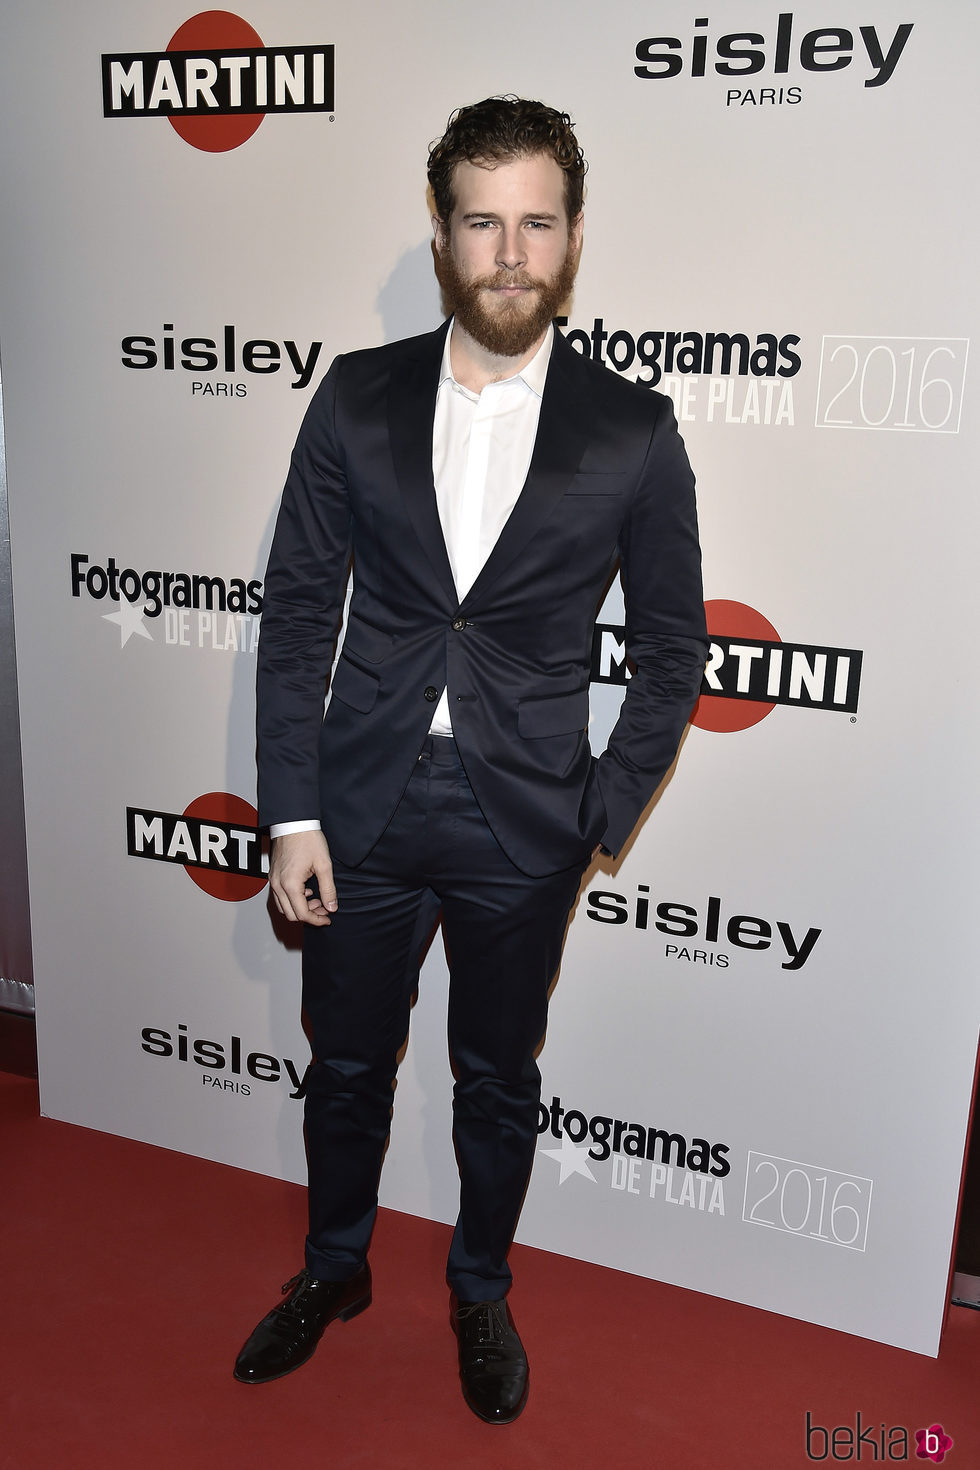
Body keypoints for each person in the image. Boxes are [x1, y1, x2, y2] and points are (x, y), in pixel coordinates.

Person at [234, 96, 708, 1423]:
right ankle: (335, 1269)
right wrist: (292, 815)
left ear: (569, 239)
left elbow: (672, 648)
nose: (509, 252)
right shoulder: (357, 394)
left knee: (498, 1077)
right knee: (345, 1064)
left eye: (536, 223)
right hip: (363, 809)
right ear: (443, 236)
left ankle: (481, 1285)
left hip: (523, 824)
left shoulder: (632, 429)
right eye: (481, 221)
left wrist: (594, 815)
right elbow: (296, 618)